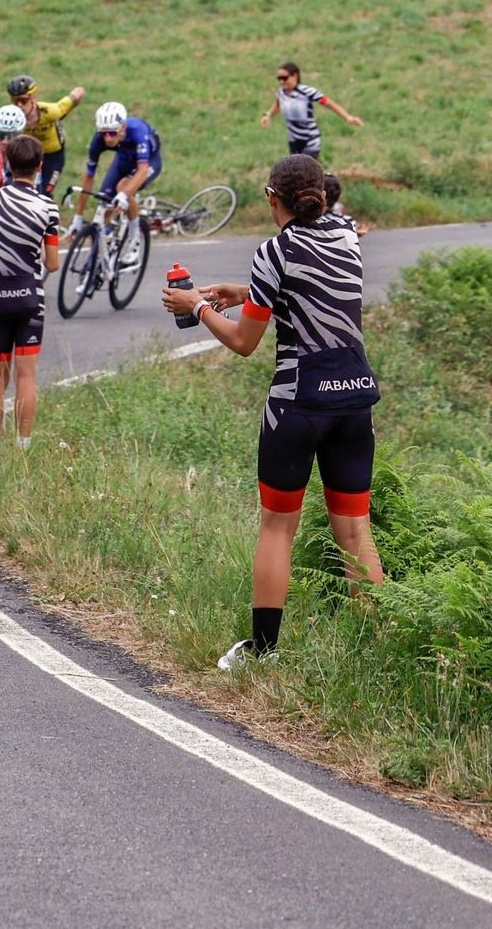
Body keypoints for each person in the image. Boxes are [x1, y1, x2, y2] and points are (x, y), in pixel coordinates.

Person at [160, 153, 384, 671]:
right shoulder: (347, 235)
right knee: (355, 531)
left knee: (278, 528)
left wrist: (198, 306)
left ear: (270, 198)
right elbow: (311, 290)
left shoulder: (273, 251)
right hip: (355, 401)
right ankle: (378, 649)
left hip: (298, 404)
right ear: (322, 197)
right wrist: (244, 291)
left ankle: (263, 651)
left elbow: (243, 341)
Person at [0, 136, 60, 446]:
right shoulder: (47, 207)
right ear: (40, 167)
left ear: (9, 165)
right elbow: (51, 263)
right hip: (29, 296)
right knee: (26, 376)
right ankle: (23, 444)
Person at [74, 101, 161, 230]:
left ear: (123, 127)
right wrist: (78, 217)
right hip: (124, 159)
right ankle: (105, 240)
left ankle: (134, 238)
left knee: (123, 187)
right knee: (104, 202)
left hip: (149, 161)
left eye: (112, 133)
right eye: (103, 133)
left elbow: (142, 171)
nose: (108, 138)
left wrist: (124, 195)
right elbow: (89, 177)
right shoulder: (98, 140)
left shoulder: (138, 130)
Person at [261, 62, 362, 159]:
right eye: (279, 78)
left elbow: (329, 103)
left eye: (284, 78)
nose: (281, 82)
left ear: (295, 76)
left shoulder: (307, 92)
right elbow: (277, 105)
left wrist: (348, 117)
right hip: (293, 139)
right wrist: (268, 115)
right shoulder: (281, 92)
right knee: (294, 171)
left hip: (310, 140)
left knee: (306, 171)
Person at [8, 74, 86, 199]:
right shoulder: (13, 119)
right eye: (15, 101)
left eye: (23, 100)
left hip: (53, 156)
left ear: (33, 98)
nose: (19, 106)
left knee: (45, 193)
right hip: (29, 156)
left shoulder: (51, 112)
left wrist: (68, 110)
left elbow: (79, 92)